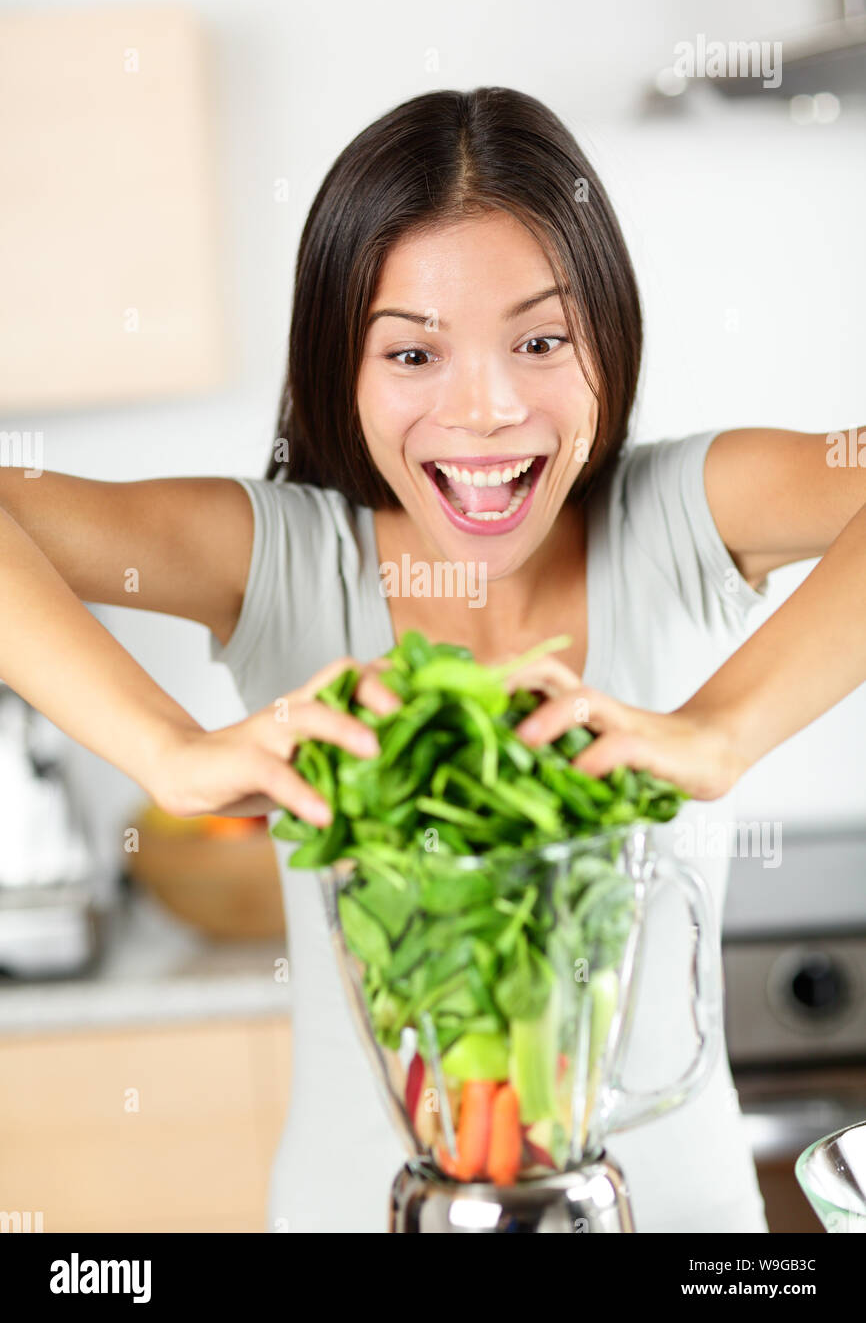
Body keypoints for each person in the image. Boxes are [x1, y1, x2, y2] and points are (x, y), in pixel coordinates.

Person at [1, 87, 864, 1233]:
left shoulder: (675, 515)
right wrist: (174, 753)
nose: (487, 408)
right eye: (412, 351)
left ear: (607, 336)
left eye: (540, 340)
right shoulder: (288, 559)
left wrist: (719, 731)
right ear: (339, 372)